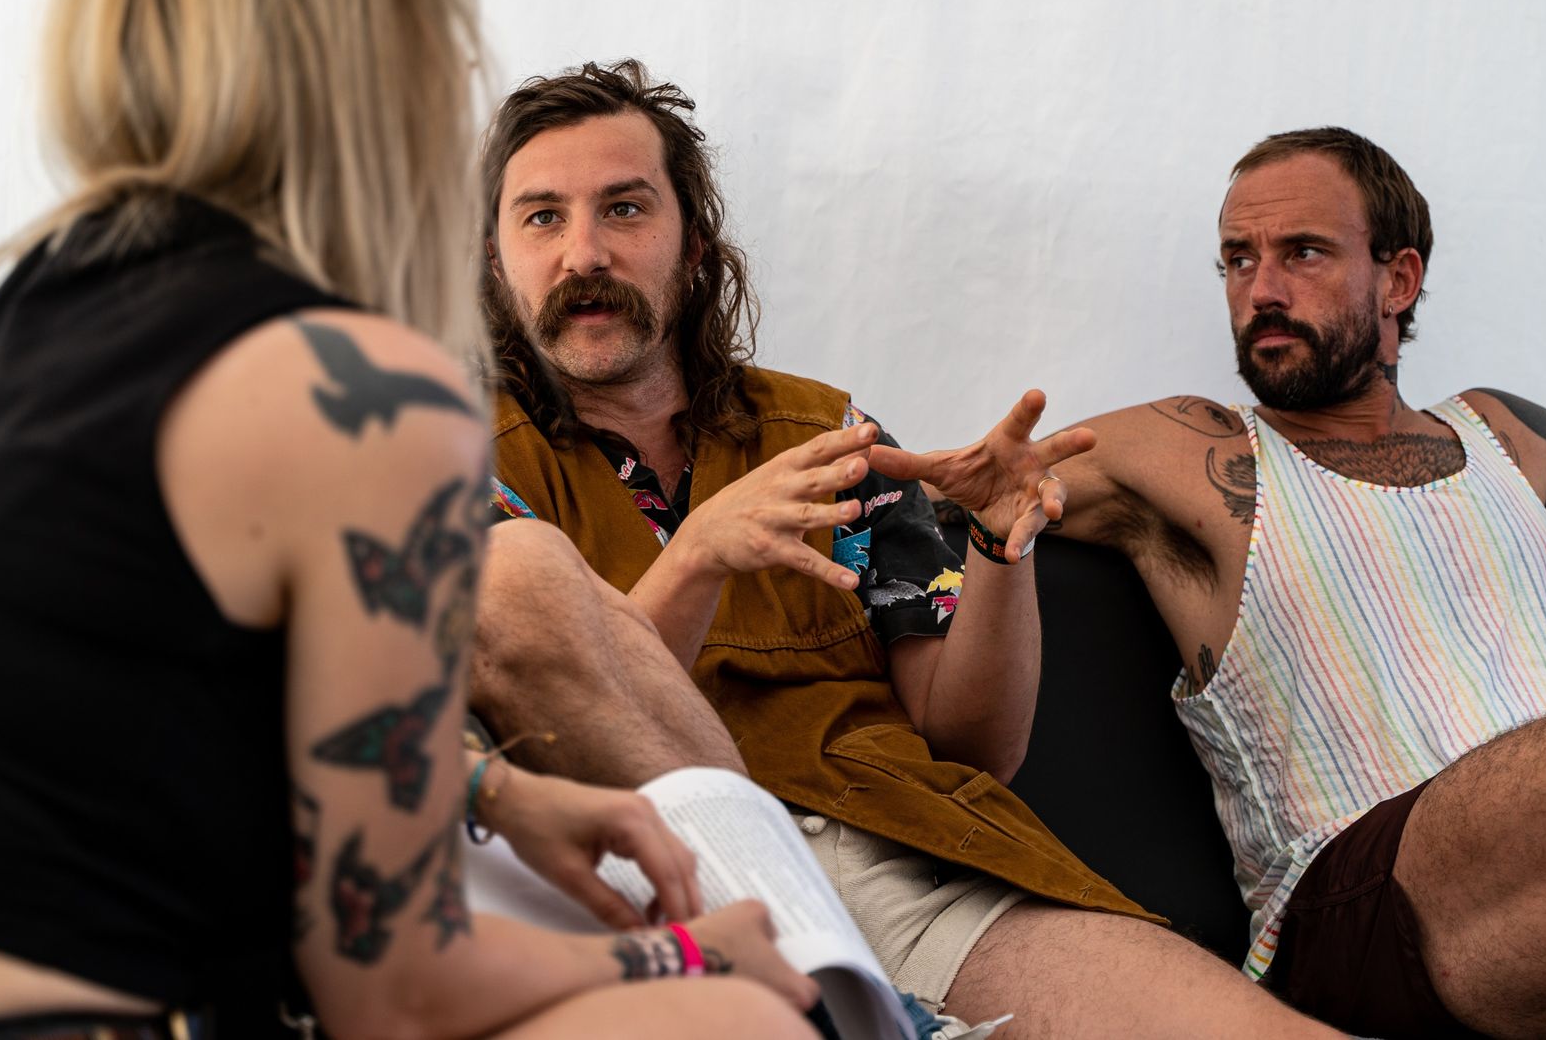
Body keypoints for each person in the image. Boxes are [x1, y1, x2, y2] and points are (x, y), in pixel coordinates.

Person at [0, 0, 816, 1039]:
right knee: (736, 1020)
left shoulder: (47, 311)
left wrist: (486, 790)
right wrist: (691, 951)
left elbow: (149, 732)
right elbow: (394, 992)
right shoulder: (362, 391)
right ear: (381, 63)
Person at [467, 60, 1339, 1038]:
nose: (583, 252)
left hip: (894, 855)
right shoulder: (443, 458)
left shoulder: (830, 436)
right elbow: (558, 721)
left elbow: (974, 749)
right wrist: (700, 552)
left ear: (694, 245)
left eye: (624, 209)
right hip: (646, 882)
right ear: (496, 260)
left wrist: (999, 547)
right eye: (541, 217)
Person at [1002, 126, 1546, 1037]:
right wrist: (921, 496)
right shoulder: (1190, 452)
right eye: (1238, 260)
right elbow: (976, 486)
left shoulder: (1502, 434)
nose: (1262, 290)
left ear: (1398, 280)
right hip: (1359, 915)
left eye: (1303, 253)